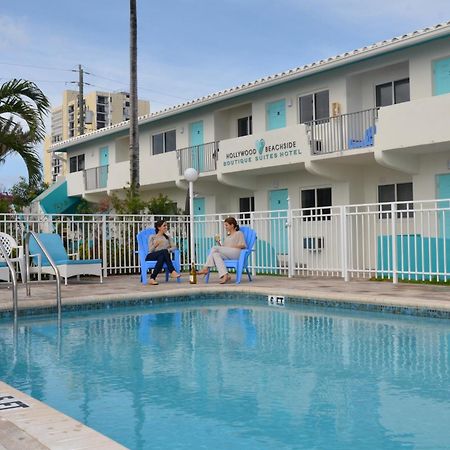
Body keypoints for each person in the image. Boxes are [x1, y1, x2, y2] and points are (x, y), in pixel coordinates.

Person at [198, 217, 246, 284]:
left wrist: (230, 246)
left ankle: (205, 268)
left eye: (226, 225)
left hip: (237, 253)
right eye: (225, 225)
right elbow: (223, 249)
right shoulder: (228, 237)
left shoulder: (239, 233)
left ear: (232, 225)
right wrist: (219, 243)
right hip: (229, 254)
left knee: (214, 248)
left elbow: (243, 245)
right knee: (215, 254)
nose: (225, 227)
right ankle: (225, 275)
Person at [146, 220, 181, 285]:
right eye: (164, 226)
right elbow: (150, 251)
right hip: (151, 256)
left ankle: (152, 278)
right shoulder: (152, 237)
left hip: (162, 256)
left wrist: (168, 250)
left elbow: (174, 247)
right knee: (164, 252)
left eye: (166, 225)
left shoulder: (168, 237)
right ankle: (172, 271)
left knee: (162, 256)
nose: (166, 227)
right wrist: (155, 245)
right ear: (159, 227)